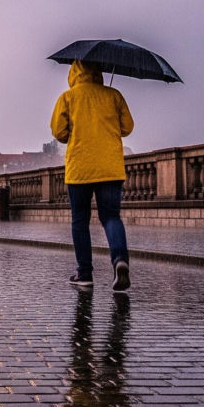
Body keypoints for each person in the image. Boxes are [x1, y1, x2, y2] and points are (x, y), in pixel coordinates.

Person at [50, 60, 134, 292]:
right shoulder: (113, 95)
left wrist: (73, 133)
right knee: (111, 217)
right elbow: (127, 127)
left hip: (80, 168)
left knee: (80, 221)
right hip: (110, 166)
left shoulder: (67, 97)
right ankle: (119, 260)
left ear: (74, 73)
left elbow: (58, 131)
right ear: (98, 72)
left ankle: (84, 273)